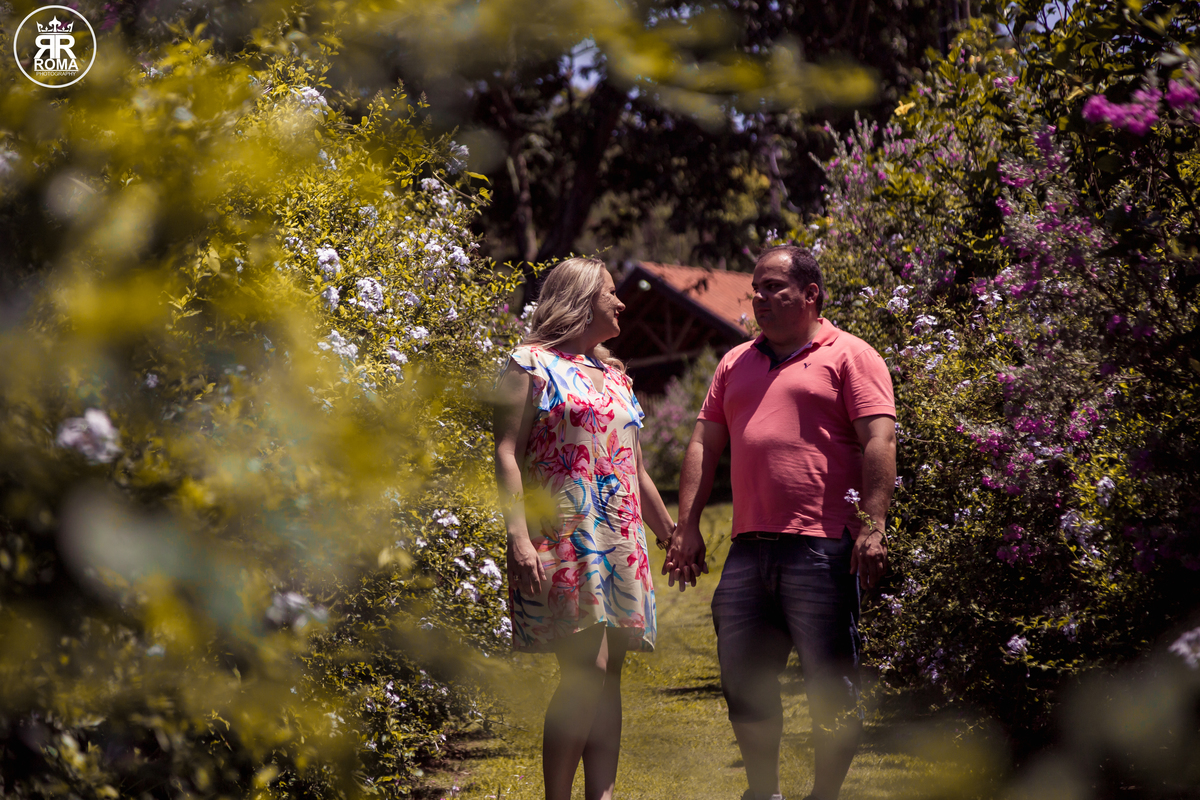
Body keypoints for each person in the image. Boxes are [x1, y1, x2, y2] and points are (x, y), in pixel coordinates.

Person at [665, 245, 896, 800]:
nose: (760, 298)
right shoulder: (735, 362)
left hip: (821, 545)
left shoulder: (850, 355)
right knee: (743, 680)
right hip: (748, 547)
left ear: (810, 294)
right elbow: (704, 442)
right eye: (757, 289)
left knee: (830, 685)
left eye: (774, 287)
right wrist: (686, 526)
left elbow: (880, 440)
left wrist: (874, 524)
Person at [493, 257, 676, 800]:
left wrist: (670, 533)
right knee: (586, 670)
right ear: (580, 300)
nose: (621, 303)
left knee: (609, 672)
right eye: (611, 293)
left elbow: (634, 467)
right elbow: (506, 453)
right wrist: (518, 539)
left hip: (620, 539)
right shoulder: (529, 364)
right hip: (563, 538)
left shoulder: (617, 377)